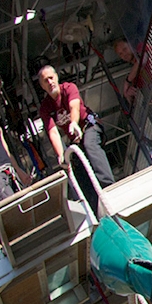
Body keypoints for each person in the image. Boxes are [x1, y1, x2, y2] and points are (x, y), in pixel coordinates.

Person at [37, 63, 115, 203]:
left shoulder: (68, 88)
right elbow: (52, 131)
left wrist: (74, 122)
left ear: (56, 77)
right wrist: (61, 154)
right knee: (75, 165)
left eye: (51, 78)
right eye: (45, 81)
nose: (49, 82)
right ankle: (93, 202)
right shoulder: (45, 107)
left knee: (90, 144)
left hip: (89, 126)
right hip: (77, 140)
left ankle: (108, 186)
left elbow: (74, 107)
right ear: (42, 86)